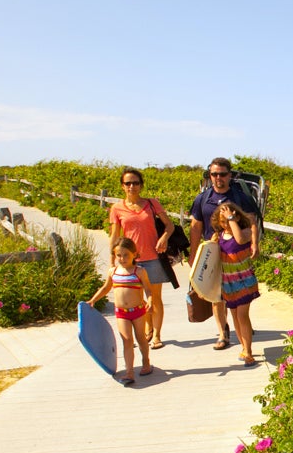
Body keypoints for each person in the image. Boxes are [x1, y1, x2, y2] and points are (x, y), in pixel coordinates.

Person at [189, 157, 262, 350]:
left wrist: (255, 244)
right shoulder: (202, 199)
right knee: (216, 296)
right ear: (209, 175)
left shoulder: (241, 198)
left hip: (235, 255)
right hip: (212, 252)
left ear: (229, 175)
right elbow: (195, 227)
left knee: (235, 295)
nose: (218, 177)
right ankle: (223, 333)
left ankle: (241, 330)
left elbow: (252, 222)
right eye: (214, 174)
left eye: (222, 174)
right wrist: (193, 253)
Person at [107, 168, 175, 350]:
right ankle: (147, 328)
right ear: (122, 186)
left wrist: (164, 238)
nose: (132, 186)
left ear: (141, 185)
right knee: (138, 300)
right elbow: (115, 236)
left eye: (135, 183)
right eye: (128, 183)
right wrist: (113, 259)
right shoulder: (117, 208)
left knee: (156, 298)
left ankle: (157, 335)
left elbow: (169, 225)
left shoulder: (152, 204)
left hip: (153, 257)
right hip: (131, 261)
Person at [87, 238, 153, 386]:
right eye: (119, 255)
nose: (122, 259)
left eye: (126, 255)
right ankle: (129, 371)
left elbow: (148, 289)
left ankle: (146, 361)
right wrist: (93, 300)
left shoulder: (140, 271)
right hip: (121, 313)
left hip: (138, 311)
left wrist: (149, 300)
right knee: (127, 340)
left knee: (141, 338)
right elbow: (105, 288)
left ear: (134, 254)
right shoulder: (113, 271)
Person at [213, 201, 260, 365]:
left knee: (242, 315)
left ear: (237, 217)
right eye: (223, 220)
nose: (226, 223)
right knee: (234, 316)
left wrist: (231, 218)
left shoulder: (244, 232)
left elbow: (239, 239)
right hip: (229, 283)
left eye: (229, 219)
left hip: (244, 280)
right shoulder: (219, 237)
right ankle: (244, 346)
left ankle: (248, 351)